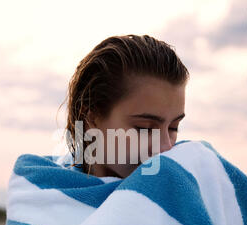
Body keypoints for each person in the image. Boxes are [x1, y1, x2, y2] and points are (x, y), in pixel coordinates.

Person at [58, 34, 190, 179]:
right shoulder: (38, 194)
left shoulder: (198, 176)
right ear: (91, 119)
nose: (166, 147)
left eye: (173, 127)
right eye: (145, 128)